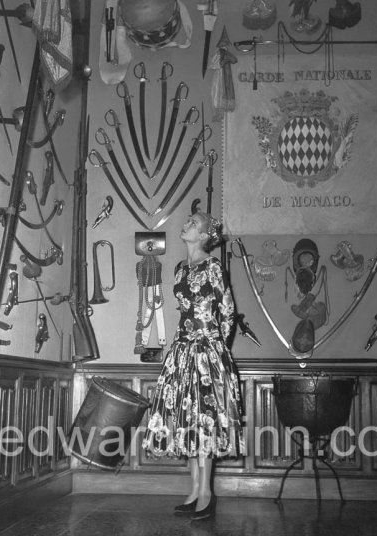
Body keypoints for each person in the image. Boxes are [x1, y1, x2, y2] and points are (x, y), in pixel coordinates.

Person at [142, 211, 244, 521]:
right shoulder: (178, 269)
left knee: (205, 421)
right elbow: (182, 312)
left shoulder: (213, 267)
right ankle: (194, 488)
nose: (185, 225)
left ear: (202, 236)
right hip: (182, 350)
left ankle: (207, 494)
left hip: (206, 352)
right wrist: (180, 346)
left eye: (192, 223)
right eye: (187, 221)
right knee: (184, 419)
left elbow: (227, 312)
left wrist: (215, 350)